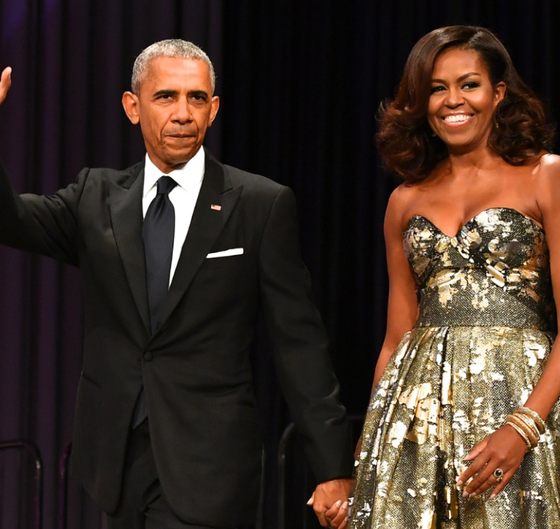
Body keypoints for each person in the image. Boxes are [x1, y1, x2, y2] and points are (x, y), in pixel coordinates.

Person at [0, 40, 353, 528]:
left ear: (214, 109)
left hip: (210, 465)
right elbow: (10, 219)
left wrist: (333, 467)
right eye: (166, 96)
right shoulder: (95, 197)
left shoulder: (259, 204)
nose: (183, 113)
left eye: (197, 98)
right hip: (115, 462)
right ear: (133, 107)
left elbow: (300, 344)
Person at [346, 26, 560, 528]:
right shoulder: (404, 200)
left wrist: (523, 427)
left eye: (469, 84)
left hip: (523, 401)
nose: (452, 101)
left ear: (498, 93)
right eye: (437, 88)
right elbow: (396, 337)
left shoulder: (546, 176)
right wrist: (370, 442)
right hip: (415, 419)